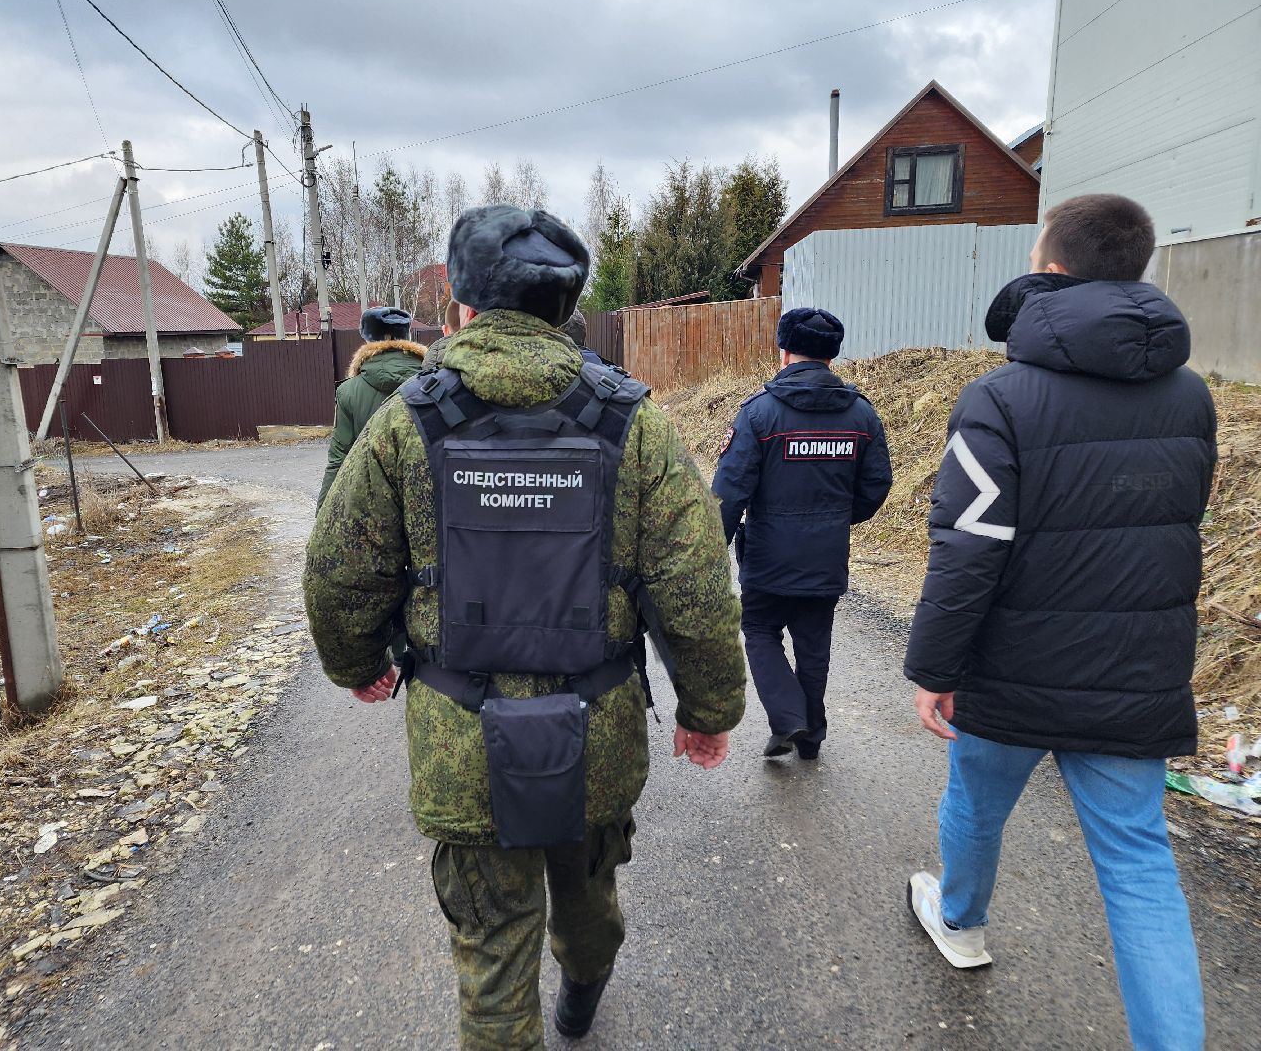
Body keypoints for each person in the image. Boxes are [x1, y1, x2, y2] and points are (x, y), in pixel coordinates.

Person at [303, 204, 746, 1050]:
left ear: (462, 308)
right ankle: (583, 992)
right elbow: (694, 581)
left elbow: (339, 570)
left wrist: (354, 661)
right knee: (590, 903)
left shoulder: (407, 420)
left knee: (492, 949)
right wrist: (709, 708)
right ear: (564, 307)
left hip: (459, 738)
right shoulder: (633, 422)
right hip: (599, 732)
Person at [904, 194, 1215, 1051]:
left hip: (1010, 666)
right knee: (1140, 866)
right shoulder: (1191, 397)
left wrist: (934, 667)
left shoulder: (1000, 398)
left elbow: (968, 550)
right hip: (1135, 670)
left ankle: (960, 922)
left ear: (1048, 270)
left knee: (976, 798)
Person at [712, 308, 891, 759]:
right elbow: (876, 486)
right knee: (814, 643)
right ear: (832, 354)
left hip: (769, 557)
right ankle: (810, 736)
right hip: (826, 556)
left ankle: (791, 718)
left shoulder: (759, 414)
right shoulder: (862, 416)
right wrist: (833, 519)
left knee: (758, 627)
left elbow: (730, 492)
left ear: (784, 348)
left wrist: (711, 549)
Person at [317, 306, 423, 505]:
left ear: (367, 339)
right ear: (407, 337)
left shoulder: (348, 392)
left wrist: (323, 510)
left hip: (372, 504)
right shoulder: (438, 381)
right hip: (426, 501)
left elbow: (339, 458)